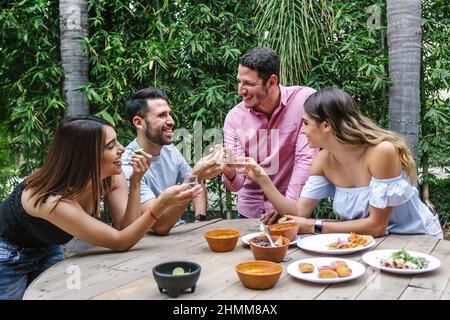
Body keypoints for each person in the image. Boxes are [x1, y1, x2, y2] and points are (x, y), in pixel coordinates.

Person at [0, 116, 201, 300]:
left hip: (46, 244)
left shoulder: (111, 175)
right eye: (111, 145)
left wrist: (136, 182)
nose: (122, 149)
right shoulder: (51, 201)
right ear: (86, 156)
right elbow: (120, 242)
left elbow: (125, 229)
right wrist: (162, 203)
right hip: (8, 254)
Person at [243, 87, 443, 238]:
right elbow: (299, 212)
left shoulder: (381, 152)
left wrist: (314, 226)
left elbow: (377, 226)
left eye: (305, 123)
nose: (301, 130)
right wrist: (262, 178)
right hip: (372, 244)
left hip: (417, 239)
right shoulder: (323, 160)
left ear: (326, 125)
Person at [221, 47, 319, 219]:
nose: (240, 91)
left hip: (292, 209)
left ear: (272, 82)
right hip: (249, 213)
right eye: (239, 82)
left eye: (249, 84)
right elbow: (236, 184)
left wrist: (286, 207)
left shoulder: (304, 100)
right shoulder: (234, 118)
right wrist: (229, 172)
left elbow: (306, 159)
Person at [122, 88, 223, 235]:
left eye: (169, 114)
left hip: (176, 231)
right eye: (162, 115)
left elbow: (195, 181)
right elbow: (159, 226)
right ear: (139, 122)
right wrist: (195, 174)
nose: (171, 121)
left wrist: (199, 219)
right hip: (145, 242)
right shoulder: (128, 165)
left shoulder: (170, 150)